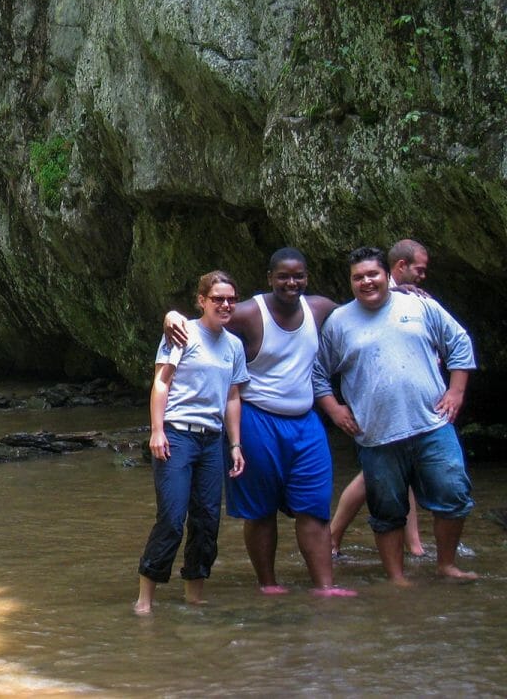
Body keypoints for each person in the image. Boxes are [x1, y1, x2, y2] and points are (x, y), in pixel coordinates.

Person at [165, 249, 354, 596]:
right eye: (283, 276)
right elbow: (207, 317)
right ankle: (268, 584)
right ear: (270, 278)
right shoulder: (251, 313)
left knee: (314, 506)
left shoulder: (321, 309)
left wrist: (399, 292)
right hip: (257, 418)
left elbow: (359, 315)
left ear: (307, 278)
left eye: (298, 276)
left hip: (305, 420)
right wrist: (171, 314)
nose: (291, 283)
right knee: (260, 509)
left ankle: (325, 587)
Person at [313, 246, 477, 584]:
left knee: (453, 495)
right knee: (386, 511)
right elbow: (317, 372)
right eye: (358, 277)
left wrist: (456, 391)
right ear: (351, 282)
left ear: (387, 275)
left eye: (372, 274)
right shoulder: (339, 323)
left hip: (431, 424)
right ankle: (396, 577)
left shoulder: (419, 305)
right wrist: (334, 407)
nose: (366, 281)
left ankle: (446, 565)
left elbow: (458, 342)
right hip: (376, 434)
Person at [135, 271, 247, 614]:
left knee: (207, 520)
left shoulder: (234, 346)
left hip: (212, 440)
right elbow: (161, 383)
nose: (225, 305)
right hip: (178, 435)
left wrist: (235, 445)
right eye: (217, 299)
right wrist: (157, 430)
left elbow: (232, 397)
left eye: (230, 299)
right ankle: (145, 599)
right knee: (171, 517)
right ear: (202, 301)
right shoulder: (182, 333)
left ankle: (194, 596)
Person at [330, 238, 430, 557]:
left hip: (408, 407)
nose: (423, 277)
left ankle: (413, 544)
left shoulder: (411, 301)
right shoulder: (376, 298)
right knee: (370, 478)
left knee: (405, 475)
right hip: (377, 409)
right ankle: (332, 537)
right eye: (420, 269)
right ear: (400, 267)